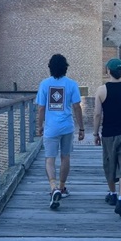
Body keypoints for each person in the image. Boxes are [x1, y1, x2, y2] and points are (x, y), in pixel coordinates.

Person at [36, 54, 85, 210]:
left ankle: (53, 187)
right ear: (66, 68)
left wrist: (39, 125)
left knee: (49, 159)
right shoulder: (72, 84)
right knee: (65, 157)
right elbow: (77, 107)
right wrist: (82, 127)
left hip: (51, 128)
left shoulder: (44, 84)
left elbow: (41, 108)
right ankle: (62, 188)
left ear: (50, 68)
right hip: (67, 127)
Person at [93, 58, 121, 218]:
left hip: (108, 133)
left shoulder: (101, 90)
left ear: (108, 71)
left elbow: (98, 113)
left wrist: (95, 133)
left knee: (109, 163)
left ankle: (112, 193)